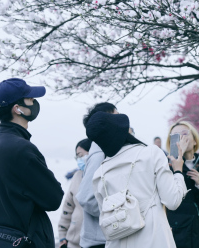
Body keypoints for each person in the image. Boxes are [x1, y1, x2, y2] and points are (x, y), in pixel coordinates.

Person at [85, 111, 188, 248]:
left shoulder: (99, 174)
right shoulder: (151, 153)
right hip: (154, 241)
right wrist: (178, 172)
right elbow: (172, 201)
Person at [0, 78, 64, 248]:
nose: (34, 102)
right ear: (17, 109)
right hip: (24, 240)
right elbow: (54, 199)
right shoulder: (22, 148)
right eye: (30, 99)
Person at [77, 102, 119, 248]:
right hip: (99, 241)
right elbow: (86, 198)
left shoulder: (107, 150)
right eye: (117, 116)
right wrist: (117, 213)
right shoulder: (99, 153)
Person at [58, 138, 92, 248]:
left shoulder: (102, 175)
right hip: (74, 242)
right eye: (77, 157)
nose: (79, 159)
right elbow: (67, 208)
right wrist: (62, 235)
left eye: (81, 155)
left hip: (97, 242)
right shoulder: (77, 176)